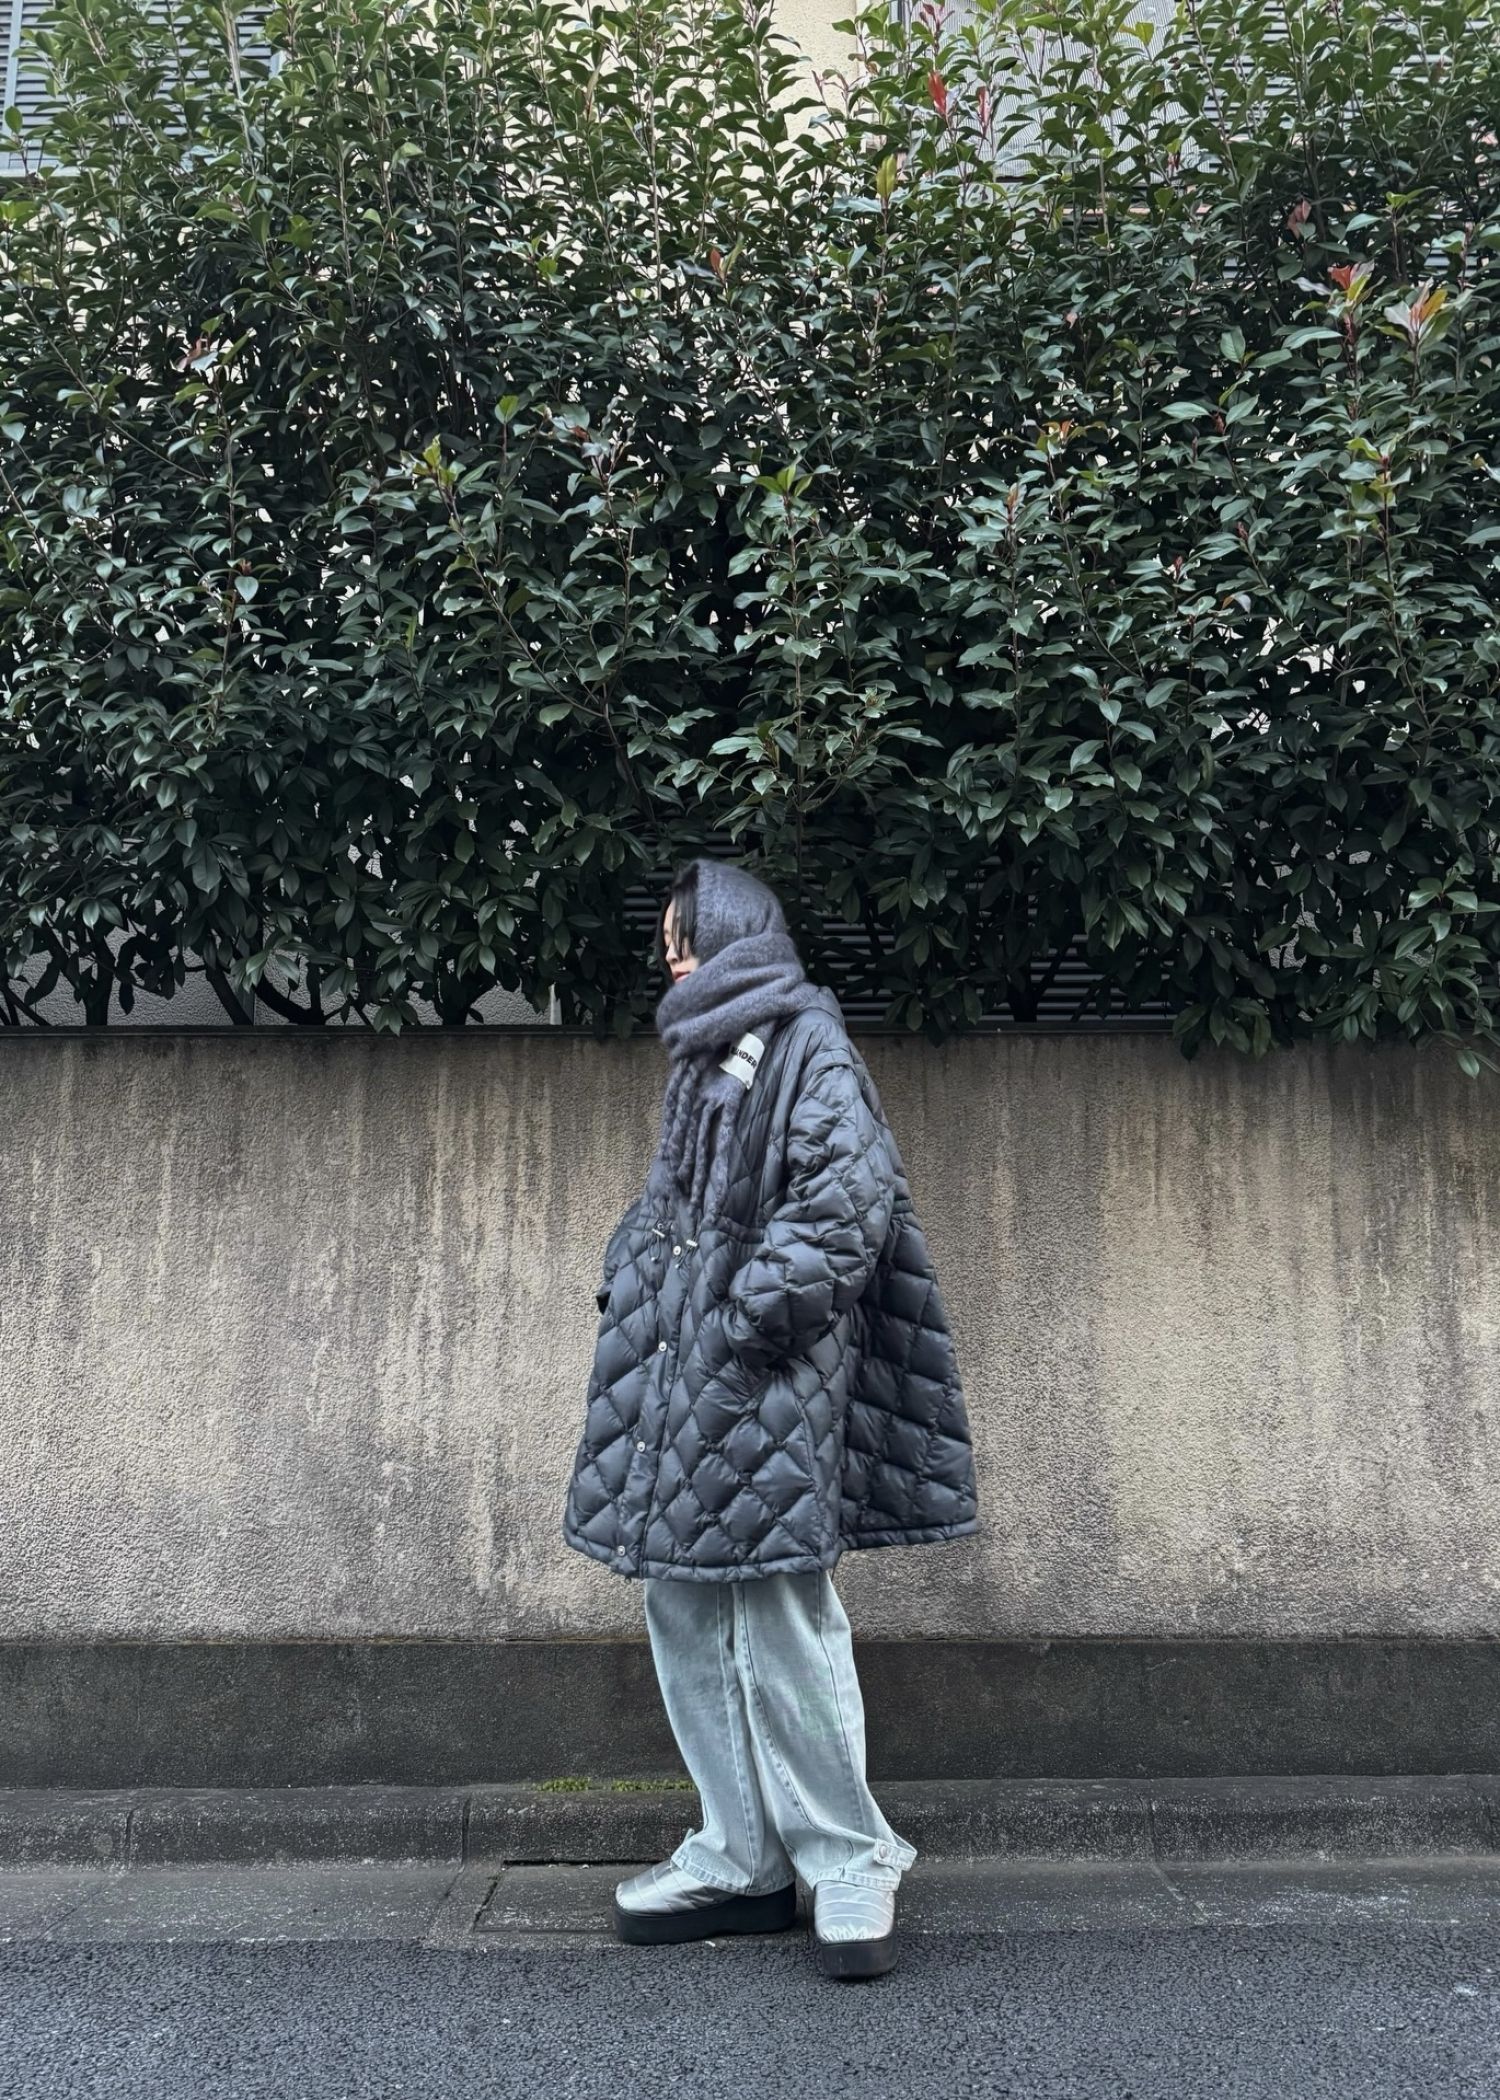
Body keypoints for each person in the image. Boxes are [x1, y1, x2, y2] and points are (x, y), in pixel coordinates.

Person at [562, 855, 980, 1981]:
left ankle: (849, 1858)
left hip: (765, 1374)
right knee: (684, 1600)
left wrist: (743, 1318)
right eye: (668, 946)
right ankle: (738, 1853)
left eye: (688, 940)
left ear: (740, 938)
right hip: (684, 1378)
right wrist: (639, 1279)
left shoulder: (807, 1044)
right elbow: (679, 1206)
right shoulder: (707, 1055)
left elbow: (847, 1204)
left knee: (783, 1608)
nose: (675, 961)